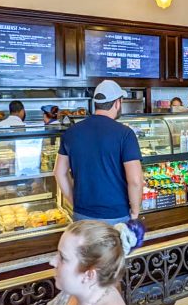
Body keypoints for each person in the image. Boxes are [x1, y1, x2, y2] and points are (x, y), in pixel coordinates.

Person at [54, 80, 142, 224]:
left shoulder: (71, 132)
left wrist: (75, 202)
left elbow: (59, 172)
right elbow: (135, 180)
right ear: (117, 103)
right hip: (116, 215)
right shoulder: (125, 134)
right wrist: (135, 211)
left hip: (82, 215)